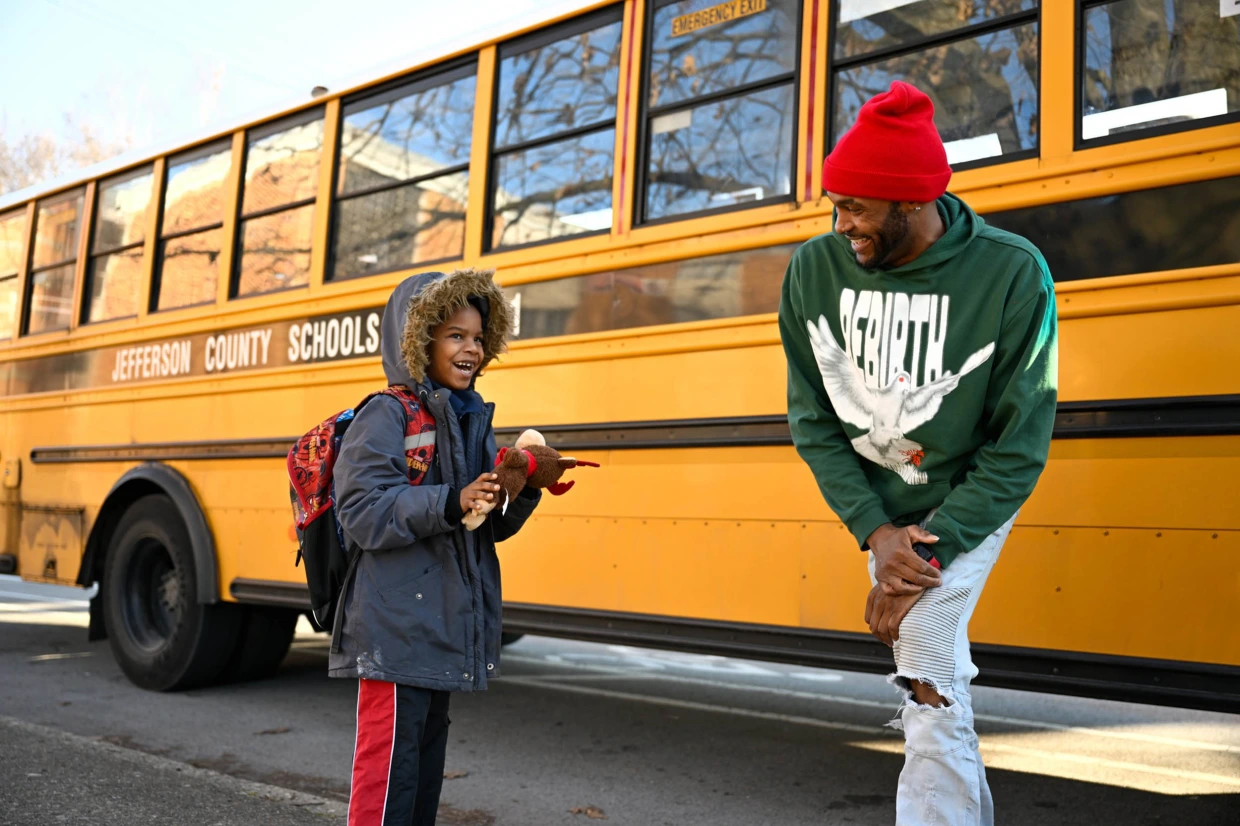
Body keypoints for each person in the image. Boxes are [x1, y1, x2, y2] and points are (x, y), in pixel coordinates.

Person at [778, 81, 1057, 825]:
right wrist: (877, 532)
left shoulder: (1011, 272)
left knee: (926, 648)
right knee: (936, 687)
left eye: (857, 208)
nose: (842, 225)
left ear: (911, 203)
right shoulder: (813, 272)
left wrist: (921, 561)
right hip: (888, 516)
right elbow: (813, 419)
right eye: (835, 205)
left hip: (968, 498)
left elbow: (1018, 445)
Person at [329, 268, 539, 826]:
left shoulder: (470, 418)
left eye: (477, 337)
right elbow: (363, 513)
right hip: (395, 629)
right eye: (454, 335)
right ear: (419, 340)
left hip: (441, 627)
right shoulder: (386, 413)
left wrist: (520, 492)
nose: (471, 348)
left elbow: (478, 524)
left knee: (421, 776)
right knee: (387, 777)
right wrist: (450, 500)